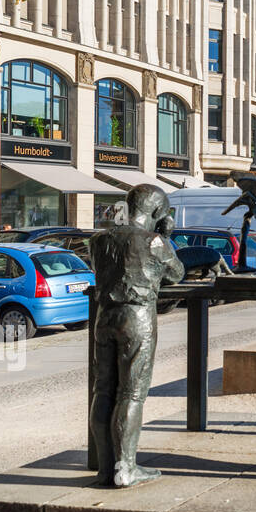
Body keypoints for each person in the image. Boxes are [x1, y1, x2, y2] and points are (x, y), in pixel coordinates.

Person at [90, 184, 184, 487]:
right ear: (158, 213)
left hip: (104, 317)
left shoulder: (99, 239)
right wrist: (166, 236)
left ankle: (106, 468)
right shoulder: (155, 241)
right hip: (137, 317)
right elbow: (176, 273)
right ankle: (126, 467)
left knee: (103, 390)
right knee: (131, 393)